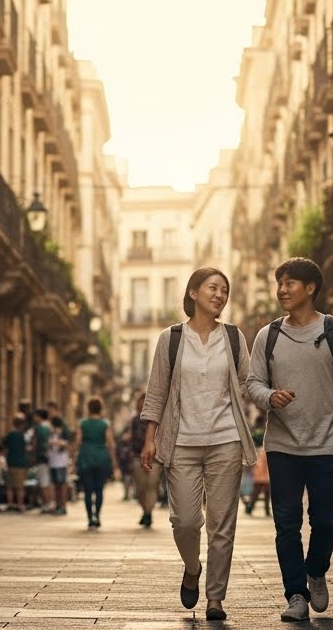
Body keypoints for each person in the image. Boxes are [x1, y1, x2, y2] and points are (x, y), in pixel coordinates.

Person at [245, 257, 333, 622]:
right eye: (279, 282)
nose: (282, 289)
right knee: (286, 522)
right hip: (282, 445)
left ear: (310, 288)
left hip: (326, 445)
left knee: (326, 521)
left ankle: (316, 570)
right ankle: (296, 594)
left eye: (290, 283)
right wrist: (270, 397)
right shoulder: (267, 335)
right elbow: (252, 383)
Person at [140, 267, 258, 622]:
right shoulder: (171, 338)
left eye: (225, 290)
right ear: (193, 292)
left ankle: (216, 598)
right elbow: (157, 390)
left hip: (226, 440)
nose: (219, 294)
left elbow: (248, 384)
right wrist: (150, 438)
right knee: (186, 521)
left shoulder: (235, 338)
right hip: (182, 443)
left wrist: (271, 394)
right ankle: (192, 568)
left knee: (222, 523)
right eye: (212, 288)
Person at [74, 396, 116, 529]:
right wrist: (114, 461)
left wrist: (73, 456)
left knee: (87, 490)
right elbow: (110, 443)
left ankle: (89, 518)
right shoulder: (105, 424)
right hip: (101, 458)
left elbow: (78, 441)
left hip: (86, 457)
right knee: (99, 490)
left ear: (88, 408)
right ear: (101, 409)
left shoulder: (82, 423)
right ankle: (97, 516)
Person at [128, 392, 158, 527]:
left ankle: (148, 513)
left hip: (155, 458)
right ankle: (145, 510)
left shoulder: (158, 420)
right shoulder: (134, 420)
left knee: (151, 486)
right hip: (137, 456)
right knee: (140, 488)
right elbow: (131, 438)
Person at [1, 414, 30, 511]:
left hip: (11, 462)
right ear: (22, 424)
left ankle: (10, 504)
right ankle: (20, 505)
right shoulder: (24, 436)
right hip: (21, 463)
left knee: (10, 486)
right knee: (20, 486)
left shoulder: (10, 435)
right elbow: (28, 449)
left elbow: (4, 449)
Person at [28, 408, 54, 512]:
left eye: (35, 416)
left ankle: (47, 504)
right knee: (47, 481)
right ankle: (50, 503)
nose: (34, 418)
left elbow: (34, 443)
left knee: (43, 482)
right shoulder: (50, 426)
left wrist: (30, 452)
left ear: (39, 416)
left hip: (41, 457)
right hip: (50, 458)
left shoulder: (38, 428)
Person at [47, 415, 72, 515]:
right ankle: (57, 505)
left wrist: (54, 442)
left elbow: (66, 444)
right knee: (56, 485)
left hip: (60, 463)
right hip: (53, 462)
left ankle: (63, 506)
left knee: (61, 485)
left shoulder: (62, 432)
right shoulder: (52, 433)